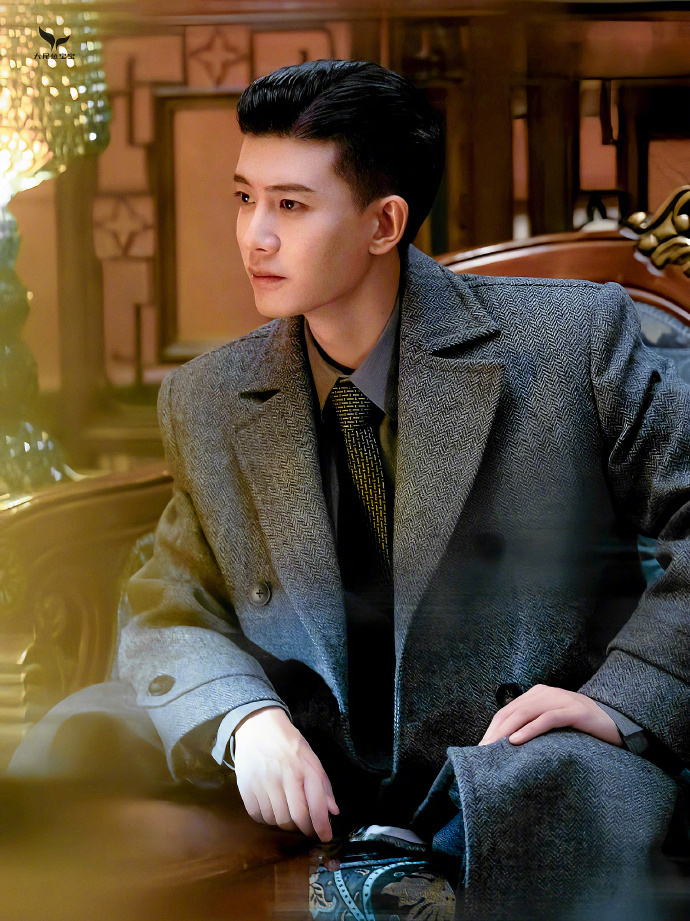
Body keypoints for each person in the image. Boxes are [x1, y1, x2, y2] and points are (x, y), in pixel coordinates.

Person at [9, 59, 690, 915]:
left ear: (384, 223)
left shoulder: (569, 341)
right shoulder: (209, 394)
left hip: (508, 760)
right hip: (303, 757)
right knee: (80, 738)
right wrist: (242, 719)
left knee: (577, 797)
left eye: (290, 205)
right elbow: (167, 601)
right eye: (244, 198)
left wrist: (623, 699)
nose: (254, 236)